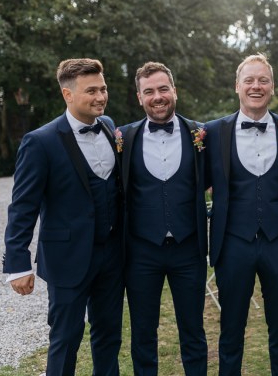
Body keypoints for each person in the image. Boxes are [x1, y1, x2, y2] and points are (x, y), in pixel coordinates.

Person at [2, 58, 124, 375]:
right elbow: (22, 206)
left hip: (111, 255)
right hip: (67, 258)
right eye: (91, 91)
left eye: (103, 88)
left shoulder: (109, 126)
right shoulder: (40, 142)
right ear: (67, 95)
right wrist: (16, 263)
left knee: (109, 336)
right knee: (66, 338)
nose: (100, 96)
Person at [204, 53, 278, 376]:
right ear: (237, 86)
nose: (256, 86)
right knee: (230, 329)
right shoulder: (212, 133)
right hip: (233, 243)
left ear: (272, 87)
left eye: (263, 80)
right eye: (249, 80)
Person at [120, 62, 209, 375]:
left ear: (175, 91)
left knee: (194, 331)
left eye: (162, 89)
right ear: (139, 97)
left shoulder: (201, 135)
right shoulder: (123, 139)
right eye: (149, 91)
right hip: (141, 251)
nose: (157, 97)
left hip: (189, 249)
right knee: (143, 333)